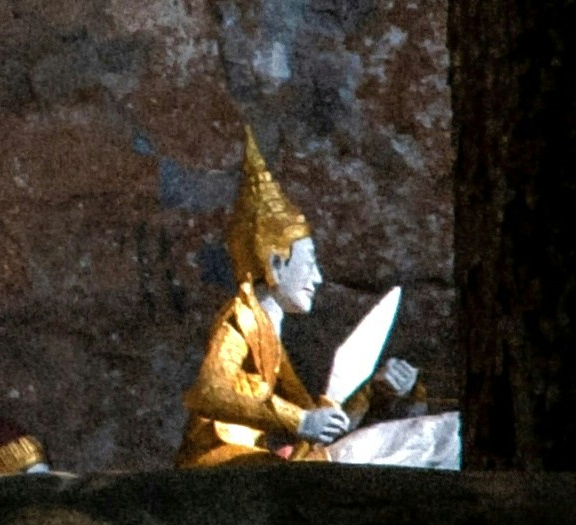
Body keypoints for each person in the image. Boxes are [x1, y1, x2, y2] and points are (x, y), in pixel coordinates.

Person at [178, 128, 434, 466]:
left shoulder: (270, 335)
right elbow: (207, 393)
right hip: (217, 458)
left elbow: (316, 417)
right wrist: (301, 422)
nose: (318, 278)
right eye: (309, 263)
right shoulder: (241, 319)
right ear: (275, 264)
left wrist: (374, 390)